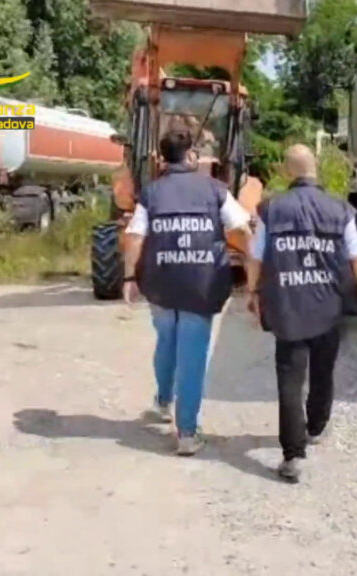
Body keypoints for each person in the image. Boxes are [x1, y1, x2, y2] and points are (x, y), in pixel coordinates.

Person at [244, 144, 357, 483]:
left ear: (287, 172)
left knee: (290, 380)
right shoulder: (340, 210)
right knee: (323, 370)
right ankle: (316, 426)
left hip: (288, 305)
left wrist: (252, 292)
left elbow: (255, 256)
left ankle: (293, 455)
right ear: (315, 168)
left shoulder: (272, 209)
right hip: (327, 305)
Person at [123, 130, 252, 457]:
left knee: (166, 340)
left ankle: (164, 400)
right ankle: (187, 433)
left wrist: (129, 277)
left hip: (161, 283)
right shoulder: (215, 190)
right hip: (201, 284)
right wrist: (254, 271)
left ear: (163, 158)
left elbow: (135, 236)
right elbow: (241, 228)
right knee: (192, 355)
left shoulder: (151, 193)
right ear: (191, 155)